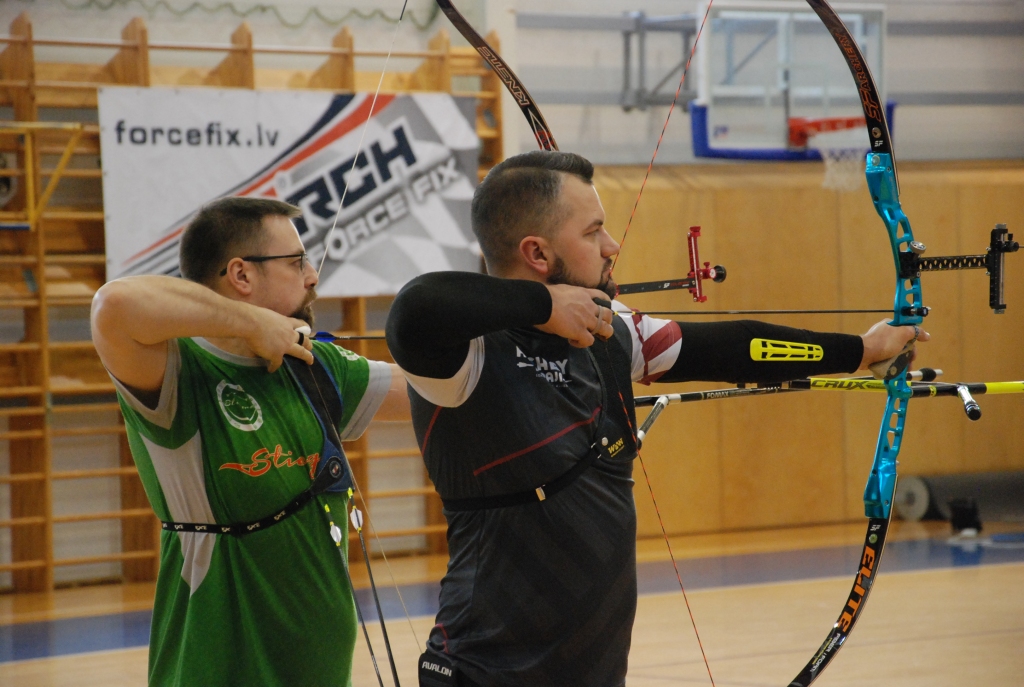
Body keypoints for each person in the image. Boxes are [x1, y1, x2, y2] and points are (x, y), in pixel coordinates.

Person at [385, 151, 928, 687]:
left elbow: (734, 348)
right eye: (594, 231)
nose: (612, 246)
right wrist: (545, 307)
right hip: (483, 674)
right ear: (537, 253)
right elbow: (414, 307)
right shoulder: (465, 358)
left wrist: (858, 349)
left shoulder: (611, 331)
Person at [91, 197, 410, 686]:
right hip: (216, 666)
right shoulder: (178, 369)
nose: (312, 276)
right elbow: (113, 305)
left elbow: (438, 392)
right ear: (241, 275)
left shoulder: (317, 366)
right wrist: (252, 324)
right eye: (296, 261)